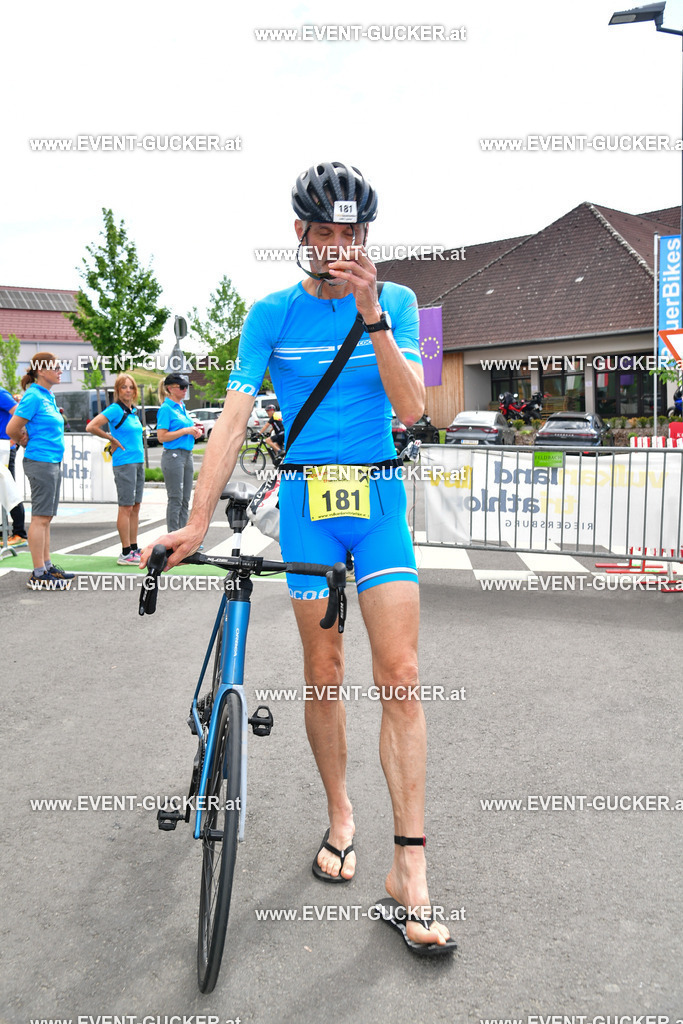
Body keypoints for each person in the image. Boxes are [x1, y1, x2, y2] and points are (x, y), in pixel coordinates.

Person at [143, 162, 454, 954]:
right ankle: (342, 814)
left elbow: (416, 408)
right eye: (327, 236)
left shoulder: (398, 302)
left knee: (402, 674)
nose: (341, 248)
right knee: (324, 669)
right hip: (310, 504)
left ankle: (409, 872)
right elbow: (232, 419)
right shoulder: (269, 316)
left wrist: (372, 313)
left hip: (379, 501)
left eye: (354, 235)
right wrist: (194, 519)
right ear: (299, 236)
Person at [7, 352, 75, 590]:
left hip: (51, 460)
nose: (60, 370)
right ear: (41, 371)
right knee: (40, 517)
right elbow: (12, 427)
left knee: (46, 517)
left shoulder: (46, 395)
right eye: (56, 367)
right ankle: (38, 574)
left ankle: (46, 567)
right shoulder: (34, 396)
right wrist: (24, 441)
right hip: (41, 461)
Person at [86, 373, 144, 565]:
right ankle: (125, 552)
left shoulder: (133, 411)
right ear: (117, 390)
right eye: (124, 387)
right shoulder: (115, 409)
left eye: (131, 387)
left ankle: (134, 548)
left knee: (135, 507)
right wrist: (111, 438)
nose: (128, 390)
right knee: (126, 507)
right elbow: (92, 426)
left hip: (138, 461)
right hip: (124, 463)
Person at [156, 373, 203, 533]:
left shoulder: (182, 407)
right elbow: (161, 437)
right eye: (181, 387)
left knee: (185, 499)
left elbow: (185, 429)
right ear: (170, 389)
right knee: (175, 499)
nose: (185, 390)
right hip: (173, 455)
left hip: (187, 455)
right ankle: (172, 536)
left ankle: (183, 535)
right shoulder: (166, 408)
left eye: (186, 387)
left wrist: (194, 431)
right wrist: (185, 430)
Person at [0, 386, 28, 546]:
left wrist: (13, 440)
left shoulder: (1, 393)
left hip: (4, 449)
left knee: (8, 488)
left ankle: (19, 533)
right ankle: (3, 532)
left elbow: (19, 414)